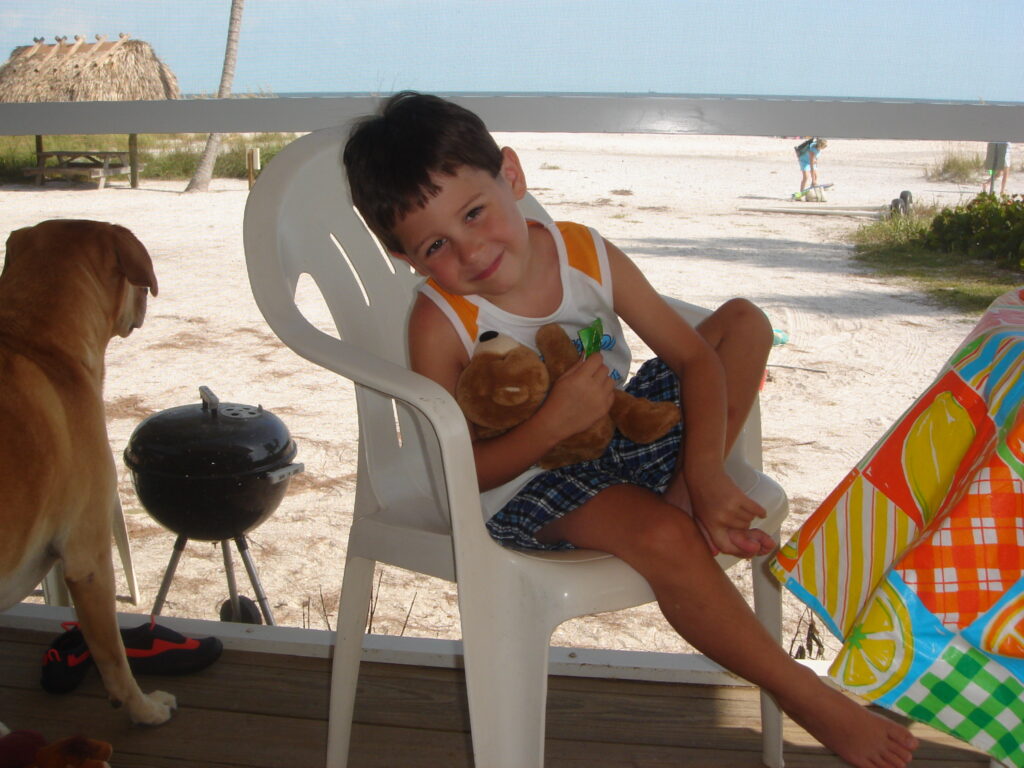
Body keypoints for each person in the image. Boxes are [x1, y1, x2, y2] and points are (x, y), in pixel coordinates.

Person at [343, 92, 919, 768]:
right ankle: (808, 697)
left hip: (623, 429)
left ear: (511, 175)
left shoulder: (584, 250)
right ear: (411, 260)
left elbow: (693, 358)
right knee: (660, 537)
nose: (471, 251)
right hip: (533, 483)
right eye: (436, 244)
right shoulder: (440, 322)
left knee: (743, 322)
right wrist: (552, 421)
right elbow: (460, 470)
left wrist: (703, 475)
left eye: (474, 212)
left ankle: (684, 502)